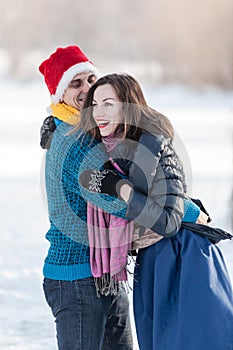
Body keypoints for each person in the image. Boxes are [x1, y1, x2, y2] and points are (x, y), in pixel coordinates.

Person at [77, 73, 233, 350]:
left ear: (128, 106)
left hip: (185, 257)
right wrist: (52, 125)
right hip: (152, 260)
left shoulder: (154, 145)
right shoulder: (110, 150)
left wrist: (121, 189)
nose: (98, 111)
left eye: (108, 103)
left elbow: (167, 222)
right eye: (95, 103)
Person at [39, 46, 134, 350]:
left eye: (91, 79)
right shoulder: (74, 141)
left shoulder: (91, 131)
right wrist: (182, 211)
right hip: (77, 280)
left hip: (106, 273)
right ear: (60, 96)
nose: (87, 89)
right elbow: (120, 199)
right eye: (75, 84)